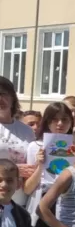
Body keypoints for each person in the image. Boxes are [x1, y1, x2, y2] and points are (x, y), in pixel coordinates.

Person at [0, 76, 36, 206]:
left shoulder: (27, 131)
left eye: (4, 94)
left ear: (13, 98)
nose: (0, 99)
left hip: (20, 203)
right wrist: (15, 171)